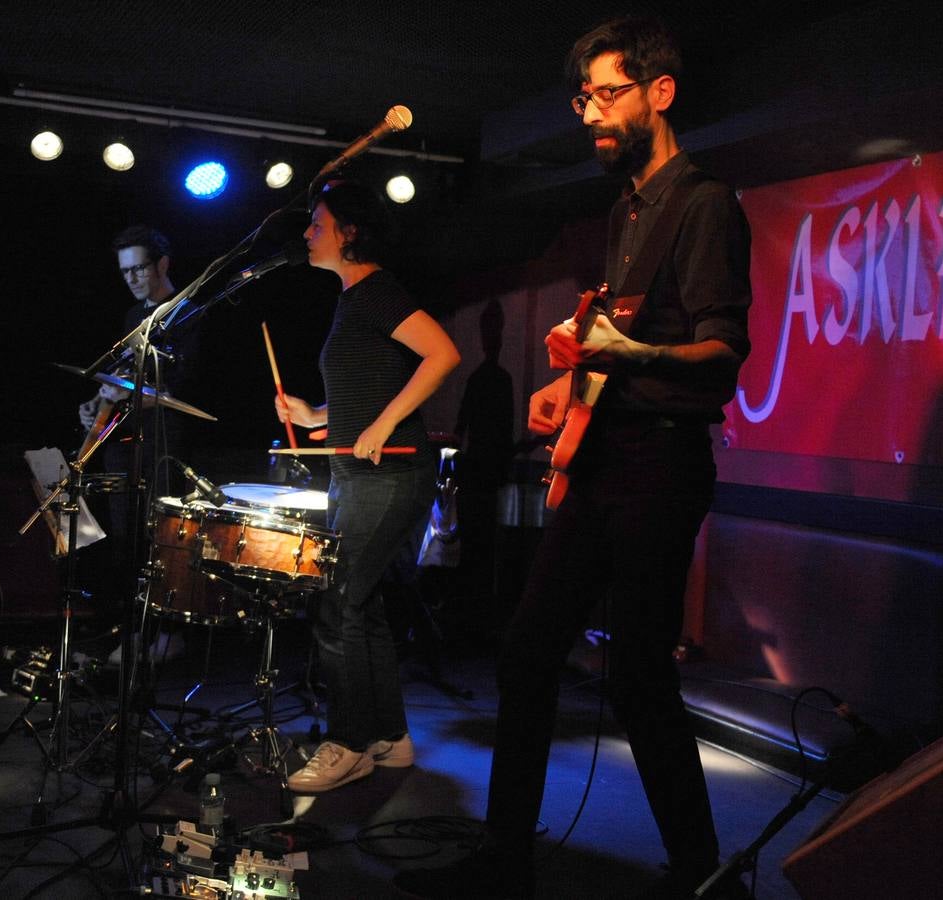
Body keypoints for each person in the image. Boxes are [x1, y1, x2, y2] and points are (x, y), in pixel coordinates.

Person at [396, 15, 752, 900]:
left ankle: (704, 875)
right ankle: (506, 859)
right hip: (605, 461)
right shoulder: (624, 208)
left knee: (636, 677)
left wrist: (631, 362)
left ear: (659, 93)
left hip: (661, 468)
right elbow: (614, 342)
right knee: (525, 653)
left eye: (606, 92)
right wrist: (575, 390)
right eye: (582, 96)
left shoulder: (703, 203)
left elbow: (723, 354)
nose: (589, 110)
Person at [274, 180, 460, 792]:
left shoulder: (376, 290)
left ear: (349, 231)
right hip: (361, 473)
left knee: (338, 606)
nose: (307, 233)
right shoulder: (351, 298)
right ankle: (389, 736)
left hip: (390, 475)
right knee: (365, 607)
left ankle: (348, 742)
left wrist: (381, 425)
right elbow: (369, 387)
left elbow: (441, 354)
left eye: (317, 223)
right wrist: (315, 416)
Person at [77, 225, 203, 660]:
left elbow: (183, 387)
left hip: (165, 442)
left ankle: (169, 634)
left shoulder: (187, 313)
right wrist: (97, 402)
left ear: (163, 264)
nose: (130, 278)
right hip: (125, 442)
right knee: (126, 539)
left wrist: (130, 395)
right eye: (124, 271)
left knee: (163, 539)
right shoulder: (133, 318)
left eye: (139, 269)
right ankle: (135, 630)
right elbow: (124, 374)